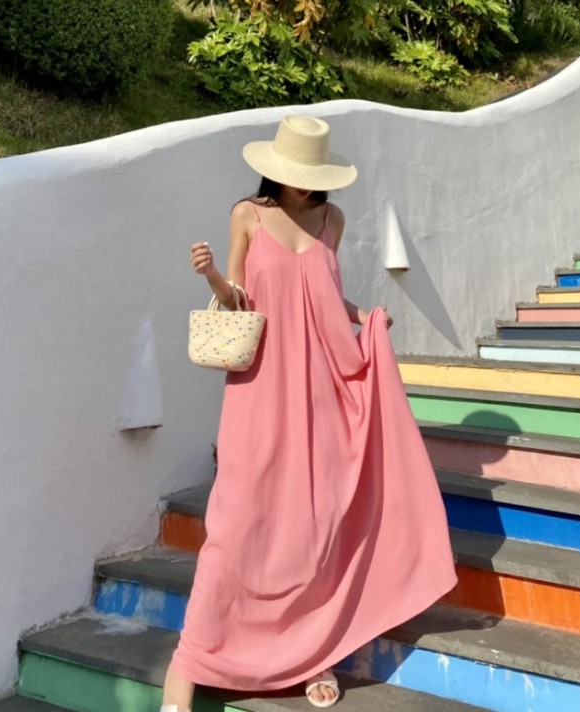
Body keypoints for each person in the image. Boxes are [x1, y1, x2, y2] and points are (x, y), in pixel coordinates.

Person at [162, 115, 457, 711]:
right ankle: (190, 664)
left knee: (318, 524)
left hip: (324, 385)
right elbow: (240, 300)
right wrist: (211, 273)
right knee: (237, 525)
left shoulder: (333, 220)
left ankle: (315, 653)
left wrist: (365, 319)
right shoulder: (247, 215)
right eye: (295, 173)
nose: (304, 183)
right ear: (274, 169)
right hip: (260, 387)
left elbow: (320, 292)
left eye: (312, 174)